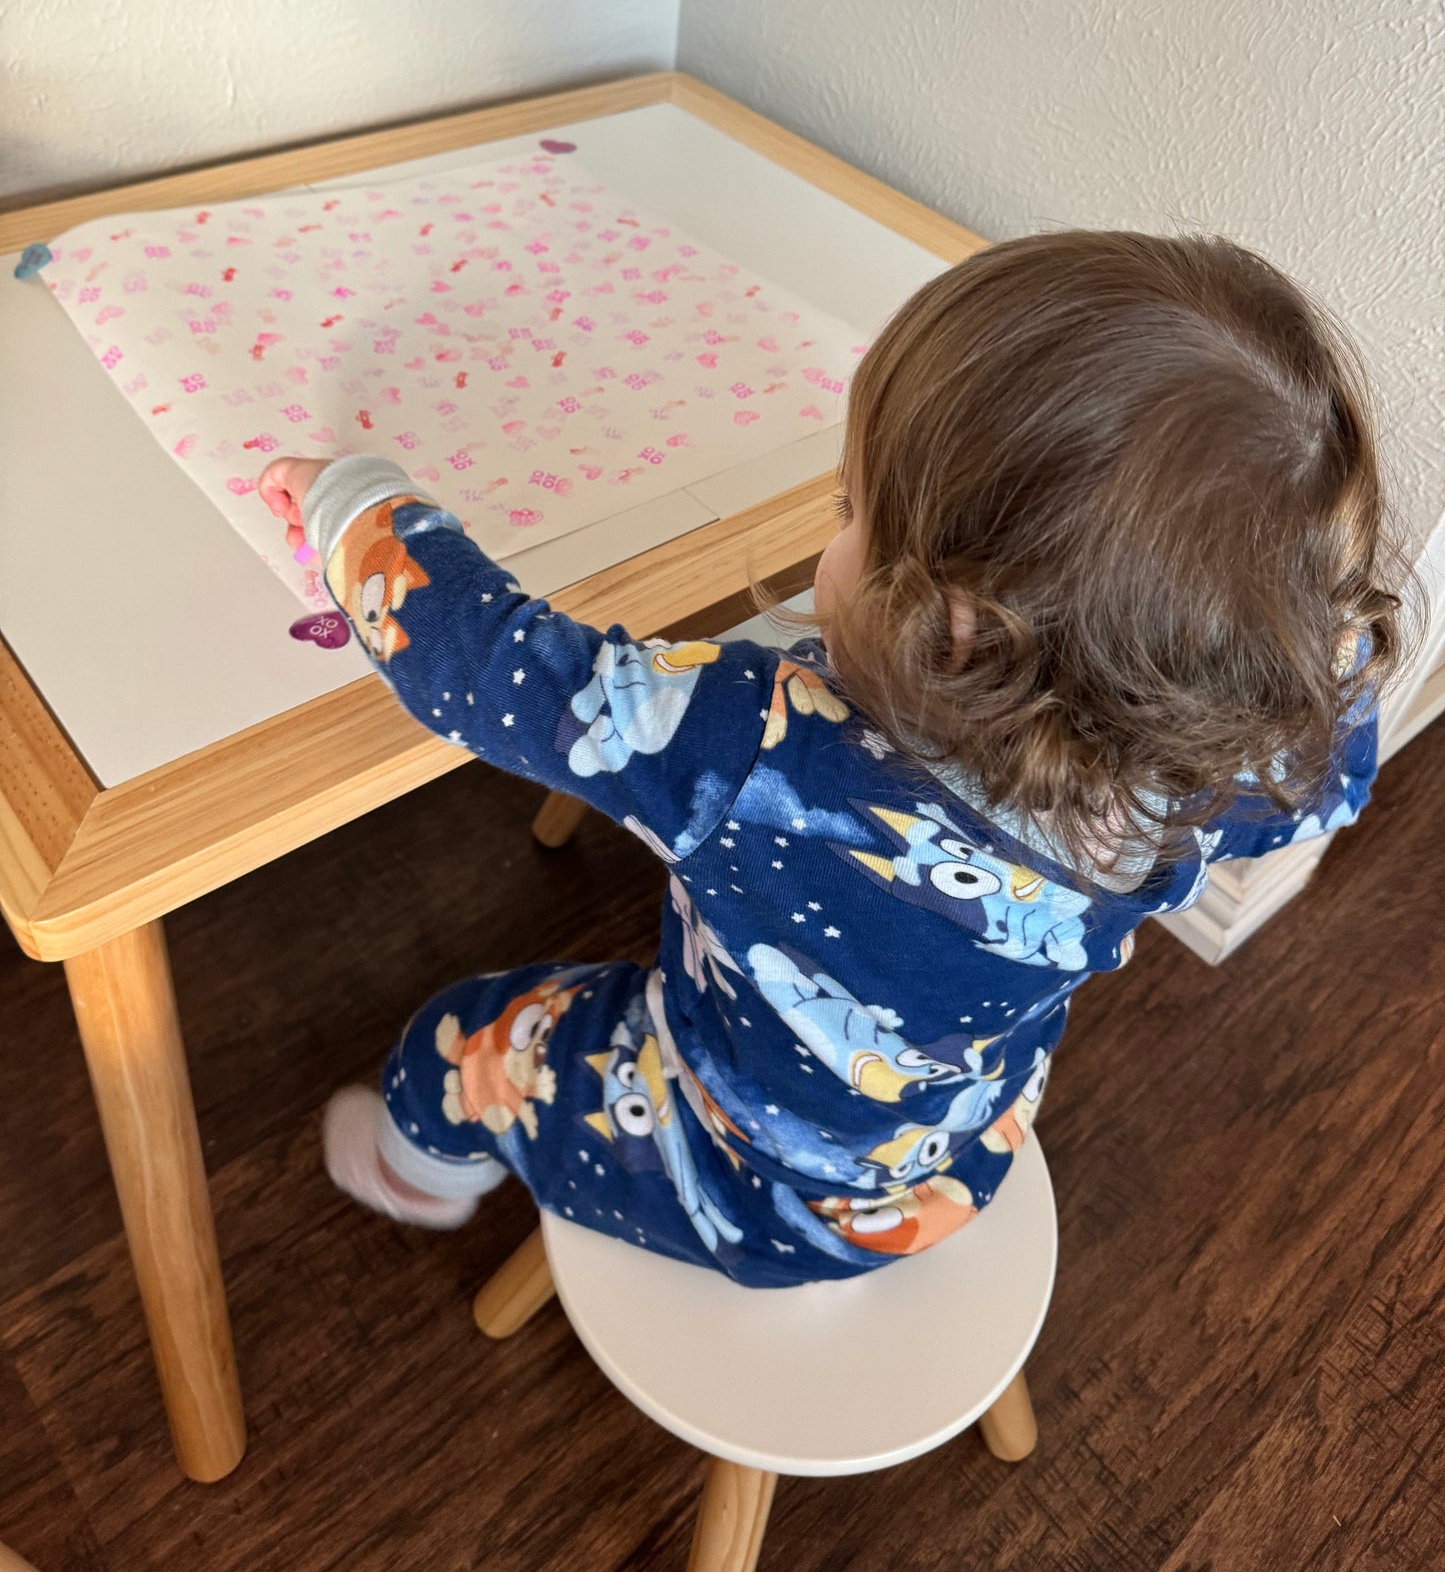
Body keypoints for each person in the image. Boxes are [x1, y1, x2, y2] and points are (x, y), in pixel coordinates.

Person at [260, 230, 1405, 1287]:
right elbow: (1335, 774)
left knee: (469, 1034)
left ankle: (422, 1173)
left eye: (853, 506)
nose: (834, 521)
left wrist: (351, 501)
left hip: (741, 1180)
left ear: (955, 632)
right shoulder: (1208, 761)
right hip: (957, 1154)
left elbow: (487, 670)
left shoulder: (748, 742)